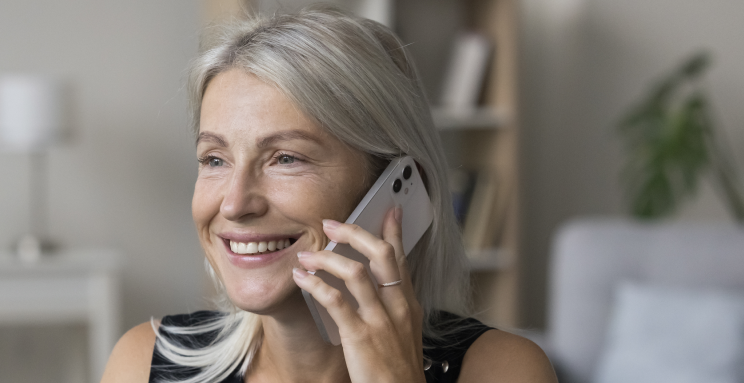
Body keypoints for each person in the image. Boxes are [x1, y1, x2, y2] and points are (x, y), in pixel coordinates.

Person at [101, 8, 557, 383]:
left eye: (285, 158)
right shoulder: (144, 362)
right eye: (214, 159)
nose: (235, 204)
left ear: (397, 190)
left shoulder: (502, 369)